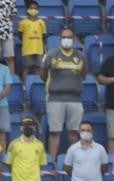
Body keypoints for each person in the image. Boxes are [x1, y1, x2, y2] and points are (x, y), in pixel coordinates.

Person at [43, 29, 87, 159]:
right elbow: (43, 73)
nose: (66, 39)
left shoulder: (80, 56)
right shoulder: (52, 55)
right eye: (63, 37)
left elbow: (83, 75)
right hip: (55, 99)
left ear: (73, 39)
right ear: (60, 39)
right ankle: (53, 162)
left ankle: (73, 160)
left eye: (68, 37)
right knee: (54, 132)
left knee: (74, 132)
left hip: (75, 99)